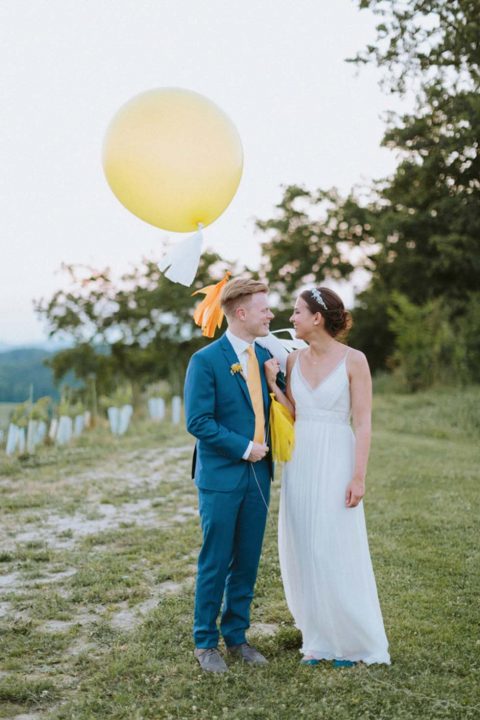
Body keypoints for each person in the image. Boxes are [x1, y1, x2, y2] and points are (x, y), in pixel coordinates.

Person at [264, 286, 390, 666]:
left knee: (335, 545)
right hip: (301, 459)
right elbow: (296, 412)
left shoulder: (355, 361)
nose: (292, 318)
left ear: (317, 318)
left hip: (337, 455)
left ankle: (355, 642)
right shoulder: (292, 361)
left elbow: (363, 422)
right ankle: (318, 640)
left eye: (297, 312)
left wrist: (358, 477)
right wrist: (274, 385)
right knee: (306, 545)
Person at [184, 277, 275, 673]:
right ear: (240, 313)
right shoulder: (206, 361)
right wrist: (243, 447)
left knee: (249, 560)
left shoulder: (266, 354)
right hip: (222, 476)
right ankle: (205, 643)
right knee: (216, 560)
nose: (270, 314)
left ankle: (237, 637)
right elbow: (198, 421)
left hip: (260, 475)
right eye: (263, 308)